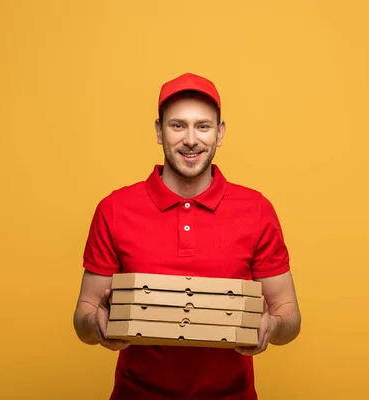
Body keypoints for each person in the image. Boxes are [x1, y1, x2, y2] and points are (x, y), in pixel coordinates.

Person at [72, 72, 301, 399]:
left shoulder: (257, 210)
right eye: (177, 125)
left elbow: (288, 313)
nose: (191, 139)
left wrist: (272, 327)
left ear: (219, 133)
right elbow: (83, 315)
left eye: (203, 126)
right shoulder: (114, 209)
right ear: (158, 131)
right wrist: (97, 322)